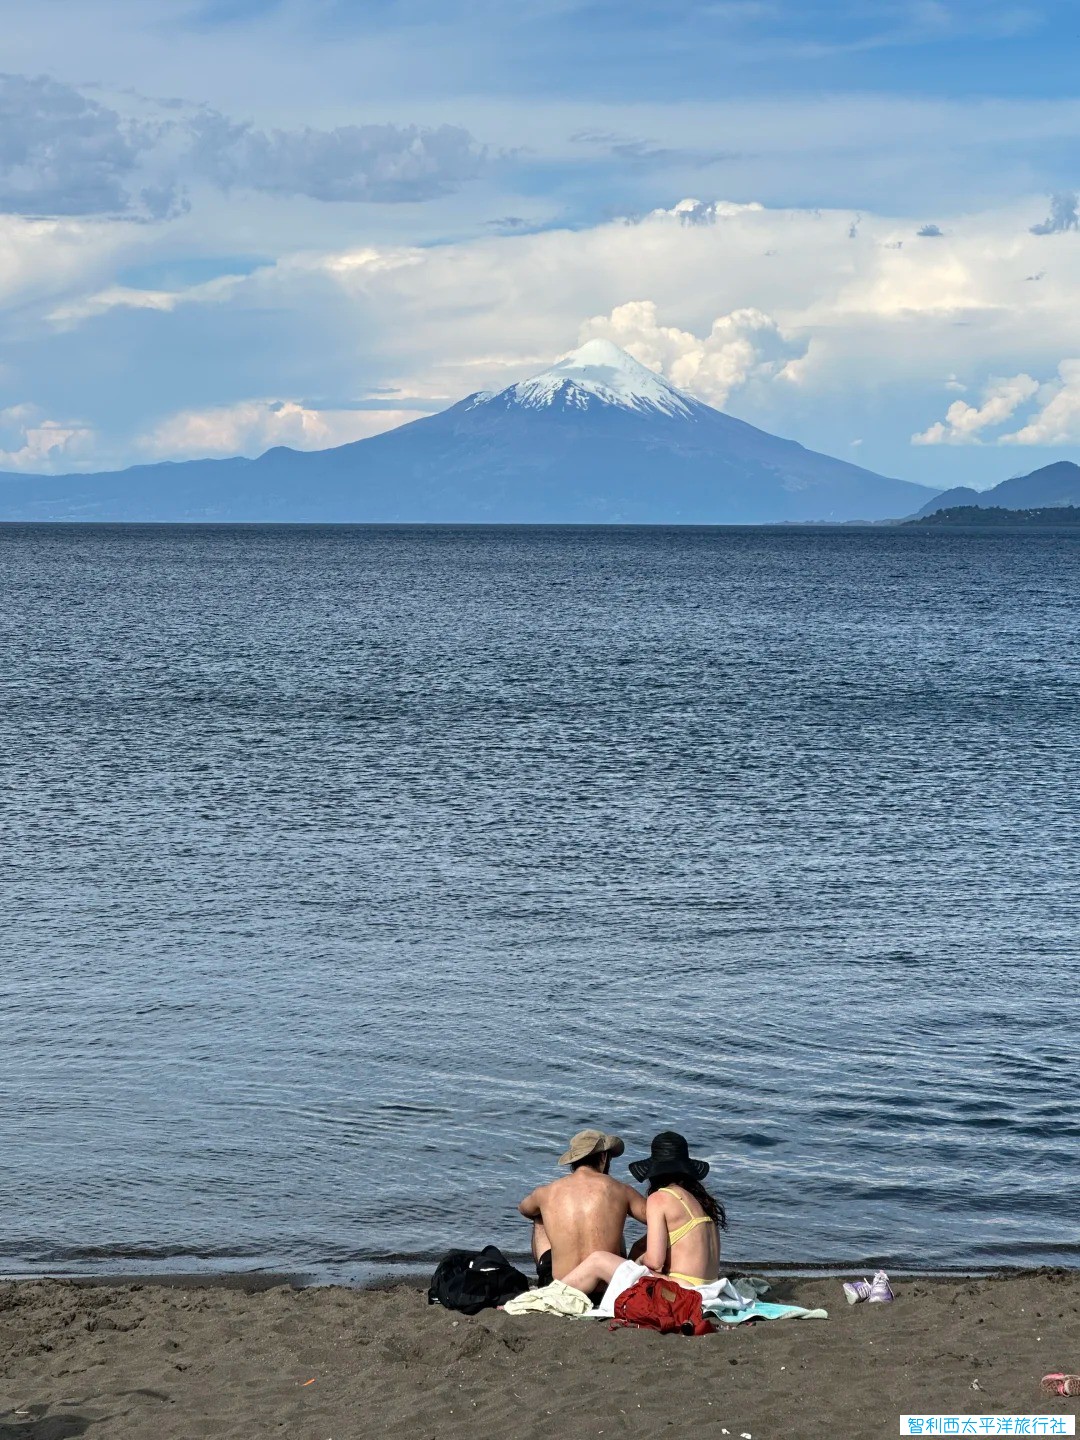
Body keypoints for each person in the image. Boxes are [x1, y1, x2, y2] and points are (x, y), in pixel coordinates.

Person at [557, 1130, 725, 1298]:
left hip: (678, 1295)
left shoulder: (660, 1198)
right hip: (707, 1292)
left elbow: (655, 1262)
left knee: (598, 1261)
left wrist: (636, 1263)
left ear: (654, 1171)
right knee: (637, 1248)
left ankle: (551, 1294)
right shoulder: (700, 1203)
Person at [518, 1128, 647, 1285]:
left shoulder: (546, 1192)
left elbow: (524, 1208)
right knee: (615, 1220)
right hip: (606, 1288)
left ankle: (544, 1271)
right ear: (603, 1157)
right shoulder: (620, 1189)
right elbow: (657, 1218)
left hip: (562, 1285)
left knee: (538, 1215)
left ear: (573, 1161)